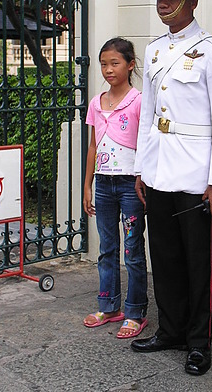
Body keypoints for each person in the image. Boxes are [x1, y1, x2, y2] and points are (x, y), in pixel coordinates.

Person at [131, 0, 212, 375]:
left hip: (196, 175)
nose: (163, 3)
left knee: (198, 262)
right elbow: (147, 116)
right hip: (159, 169)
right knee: (165, 256)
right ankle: (171, 329)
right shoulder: (155, 50)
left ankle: (198, 341)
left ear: (193, 1)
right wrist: (142, 166)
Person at [83, 37, 148, 339]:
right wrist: (87, 185)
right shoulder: (97, 102)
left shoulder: (139, 101)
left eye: (115, 63)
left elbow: (146, 144)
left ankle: (135, 311)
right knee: (106, 248)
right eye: (104, 64)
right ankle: (109, 305)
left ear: (130, 64)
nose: (108, 70)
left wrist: (141, 177)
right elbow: (93, 146)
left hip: (129, 184)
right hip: (103, 185)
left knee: (132, 249)